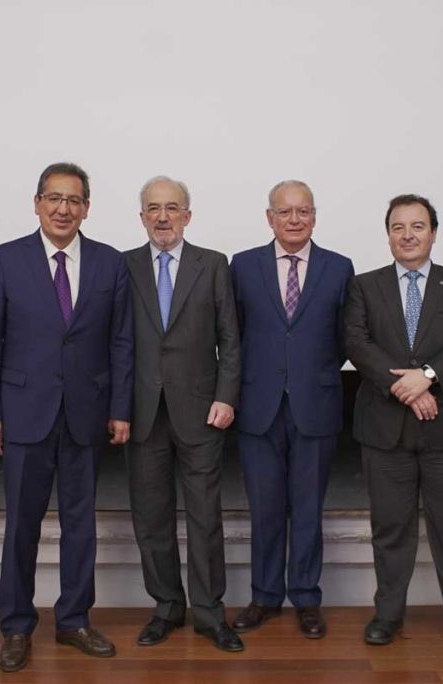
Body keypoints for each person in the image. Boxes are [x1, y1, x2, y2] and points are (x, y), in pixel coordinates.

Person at [0, 162, 133, 670]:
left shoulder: (110, 263)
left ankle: (74, 620)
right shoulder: (4, 259)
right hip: (23, 414)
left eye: (74, 200)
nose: (64, 208)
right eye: (54, 198)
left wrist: (119, 409)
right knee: (22, 524)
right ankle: (17, 626)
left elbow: (121, 343)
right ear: (37, 203)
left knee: (80, 523)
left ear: (87, 207)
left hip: (86, 413)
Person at [344, 194, 443, 650]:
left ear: (433, 233)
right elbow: (357, 342)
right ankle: (387, 616)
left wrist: (426, 378)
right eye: (398, 227)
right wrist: (405, 389)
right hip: (385, 429)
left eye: (418, 226)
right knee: (390, 529)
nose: (408, 235)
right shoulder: (364, 287)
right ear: (388, 235)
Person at [229, 180, 354, 639]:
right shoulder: (242, 267)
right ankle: (264, 596)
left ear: (314, 217)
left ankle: (305, 597)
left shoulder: (339, 268)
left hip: (315, 403)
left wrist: (306, 371)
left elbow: (346, 337)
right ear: (270, 218)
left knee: (307, 508)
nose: (294, 219)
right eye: (285, 212)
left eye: (303, 211)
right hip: (257, 405)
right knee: (264, 509)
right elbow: (233, 334)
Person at [124, 176, 243, 652]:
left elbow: (230, 339)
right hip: (143, 413)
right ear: (142, 217)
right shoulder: (124, 266)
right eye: (153, 208)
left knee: (204, 518)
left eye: (172, 208)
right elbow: (116, 343)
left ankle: (211, 614)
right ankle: (167, 607)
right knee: (150, 518)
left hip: (201, 411)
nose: (162, 217)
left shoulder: (213, 265)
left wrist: (227, 395)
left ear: (188, 216)